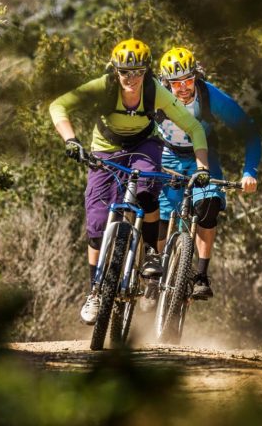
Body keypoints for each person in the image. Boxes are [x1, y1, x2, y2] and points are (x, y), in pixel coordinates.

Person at [49, 38, 211, 325]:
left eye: (138, 72)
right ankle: (95, 291)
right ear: (115, 70)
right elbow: (58, 106)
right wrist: (71, 140)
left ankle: (150, 253)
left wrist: (201, 166)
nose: (131, 79)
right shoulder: (104, 87)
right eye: (125, 72)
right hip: (106, 149)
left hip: (144, 145)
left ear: (146, 71)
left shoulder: (155, 92)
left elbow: (194, 127)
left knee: (148, 194)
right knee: (97, 224)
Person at [155, 46, 261, 299]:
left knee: (209, 204)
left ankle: (201, 275)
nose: (182, 88)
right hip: (167, 154)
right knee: (158, 214)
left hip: (203, 155)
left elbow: (250, 133)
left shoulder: (210, 96)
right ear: (164, 82)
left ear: (197, 76)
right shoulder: (154, 97)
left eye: (188, 80)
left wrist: (249, 172)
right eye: (175, 83)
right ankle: (155, 273)